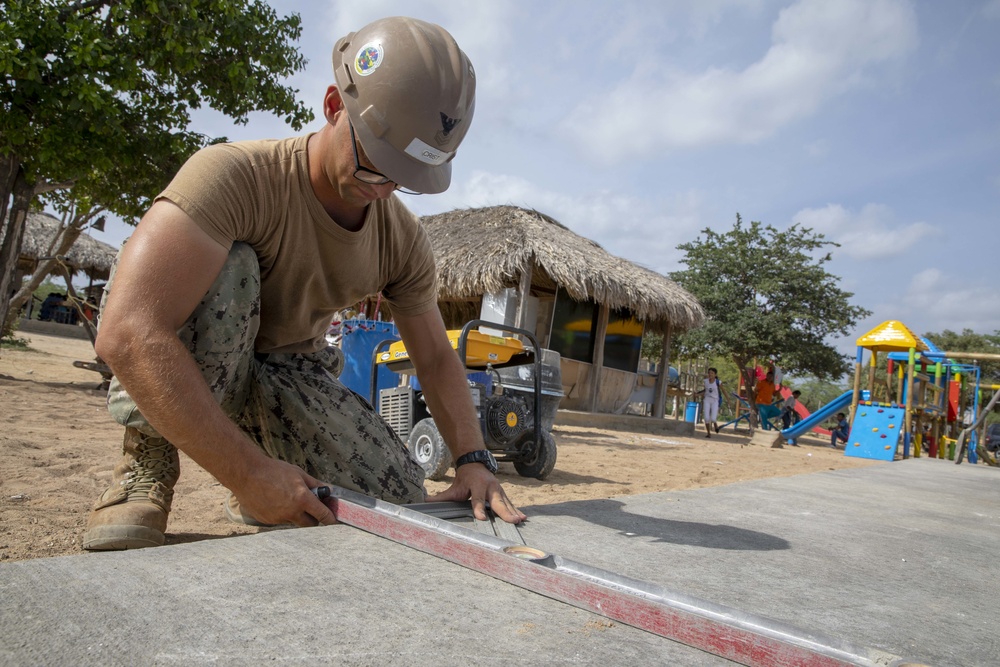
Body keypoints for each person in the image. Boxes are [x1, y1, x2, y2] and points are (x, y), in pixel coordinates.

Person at [82, 16, 525, 552]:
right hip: (195, 355)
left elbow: (433, 357)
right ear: (335, 106)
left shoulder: (401, 240)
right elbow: (129, 329)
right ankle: (145, 461)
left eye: (404, 178)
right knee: (231, 267)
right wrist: (245, 473)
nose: (384, 190)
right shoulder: (234, 177)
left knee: (398, 495)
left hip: (287, 370)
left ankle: (267, 477)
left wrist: (473, 459)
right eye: (374, 167)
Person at [696, 367, 722, 438]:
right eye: (709, 373)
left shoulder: (718, 382)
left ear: (715, 374)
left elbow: (723, 391)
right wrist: (698, 394)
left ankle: (715, 424)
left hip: (715, 400)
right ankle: (708, 433)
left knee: (713, 418)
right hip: (707, 399)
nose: (710, 374)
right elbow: (705, 390)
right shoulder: (706, 381)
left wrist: (728, 400)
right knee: (706, 418)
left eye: (712, 373)